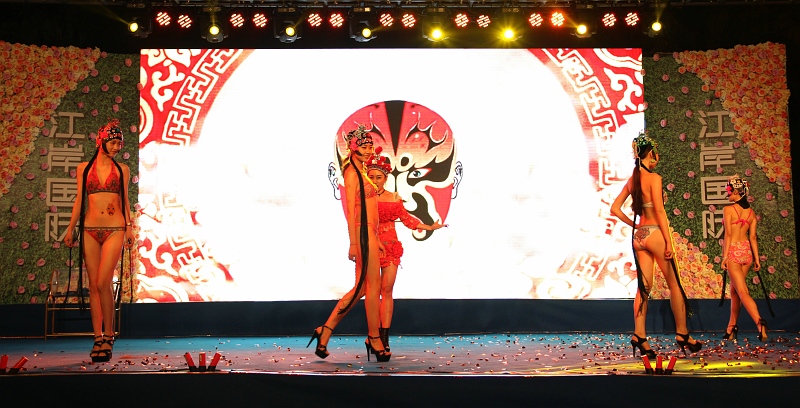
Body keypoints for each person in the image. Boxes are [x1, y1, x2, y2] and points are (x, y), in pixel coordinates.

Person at [610, 131, 702, 358]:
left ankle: (640, 335)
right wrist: (669, 241)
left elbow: (615, 208)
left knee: (644, 287)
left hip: (640, 235)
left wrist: (634, 225)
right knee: (675, 285)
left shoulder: (633, 179)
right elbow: (660, 211)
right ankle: (682, 333)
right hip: (654, 233)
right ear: (650, 153)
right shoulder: (654, 178)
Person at [307, 124, 391, 362]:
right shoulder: (352, 173)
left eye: (370, 147)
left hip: (369, 234)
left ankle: (325, 330)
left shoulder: (361, 171)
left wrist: (376, 238)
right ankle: (374, 337)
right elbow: (351, 211)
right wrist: (354, 242)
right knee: (372, 287)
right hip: (362, 233)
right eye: (364, 147)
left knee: (362, 289)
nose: (368, 151)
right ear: (353, 148)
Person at [64, 119, 135, 363]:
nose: (117, 147)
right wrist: (71, 228)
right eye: (113, 142)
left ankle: (109, 335)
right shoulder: (84, 168)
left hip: (115, 228)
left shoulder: (122, 169)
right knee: (94, 285)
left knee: (104, 281)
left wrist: (129, 227)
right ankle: (97, 337)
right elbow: (79, 200)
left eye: (119, 143)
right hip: (89, 229)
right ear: (101, 142)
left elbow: (124, 200)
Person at [365, 151, 447, 351]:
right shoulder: (363, 197)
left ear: (386, 178)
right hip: (371, 246)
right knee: (372, 292)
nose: (375, 180)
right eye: (372, 177)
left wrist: (429, 226)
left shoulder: (394, 197)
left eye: (379, 177)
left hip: (391, 246)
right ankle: (373, 337)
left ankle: (384, 337)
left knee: (387, 290)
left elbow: (407, 219)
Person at [720, 175, 768, 342]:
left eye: (728, 190)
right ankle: (731, 327)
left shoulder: (728, 210)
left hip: (734, 252)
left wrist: (725, 256)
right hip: (746, 252)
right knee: (734, 291)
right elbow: (752, 237)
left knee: (742, 291)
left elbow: (728, 234)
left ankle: (760, 323)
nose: (727, 193)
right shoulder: (751, 213)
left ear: (736, 191)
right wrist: (757, 259)